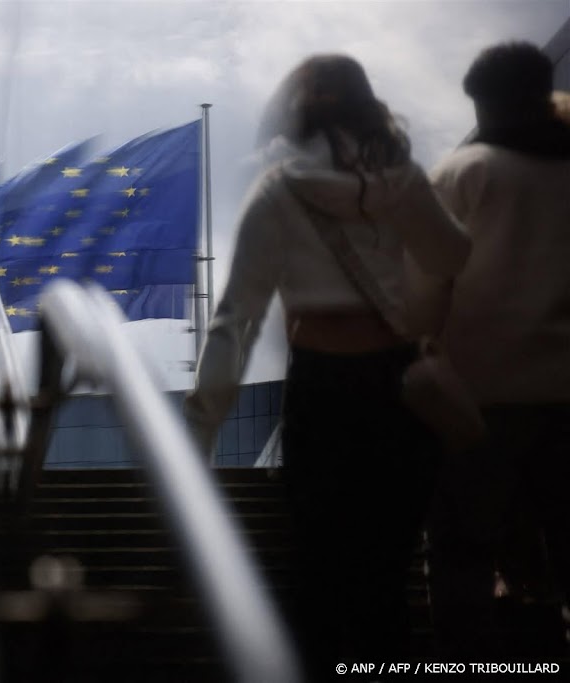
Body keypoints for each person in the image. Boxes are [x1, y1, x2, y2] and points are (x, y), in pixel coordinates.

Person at [183, 54, 470, 680]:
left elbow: (236, 318)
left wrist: (203, 425)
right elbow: (451, 252)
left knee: (318, 569)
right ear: (368, 106)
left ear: (294, 112)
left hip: (322, 387)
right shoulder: (401, 180)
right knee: (386, 575)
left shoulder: (276, 190)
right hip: (396, 388)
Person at [417, 41, 570, 660]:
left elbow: (422, 295)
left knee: (460, 558)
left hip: (481, 405)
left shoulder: (463, 174)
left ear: (484, 104)